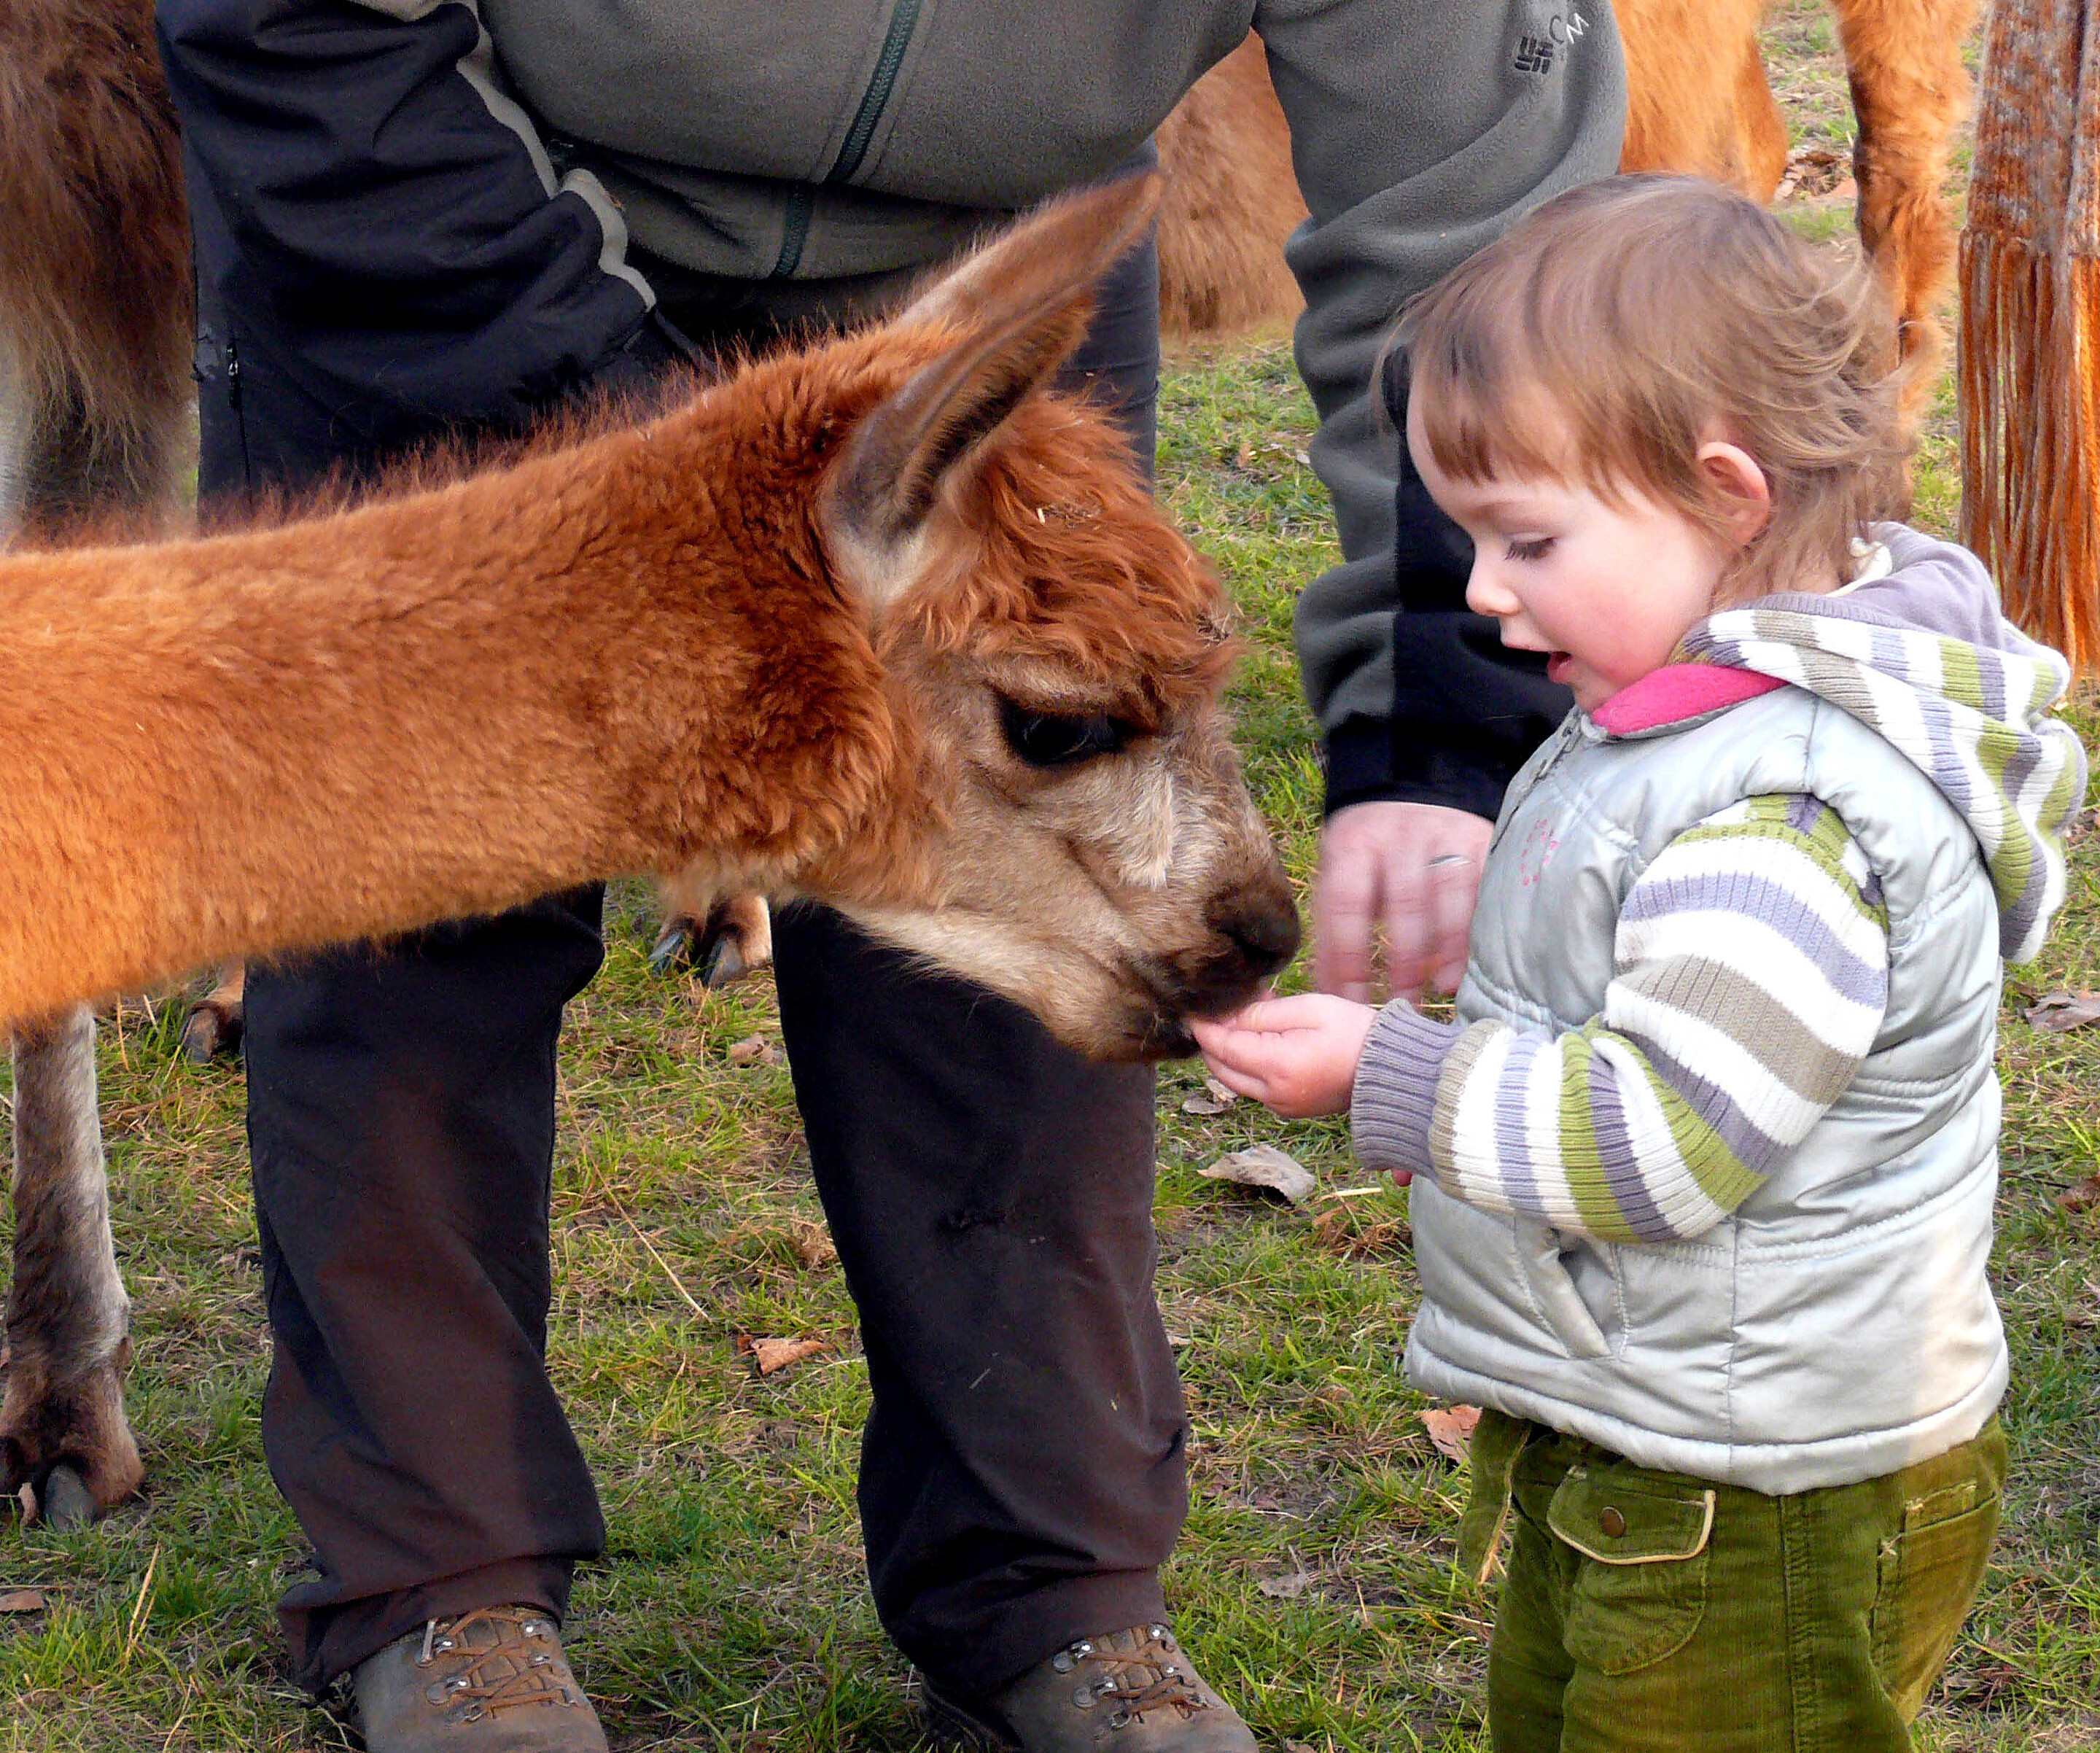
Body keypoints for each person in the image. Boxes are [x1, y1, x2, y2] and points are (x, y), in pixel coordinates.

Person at [152, 2, 1622, 1747]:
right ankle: (436, 1580)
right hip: (454, 189)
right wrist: (676, 491)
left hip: (972, 277)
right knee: (408, 900)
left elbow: (1473, 196)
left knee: (1037, 882)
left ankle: (1050, 1590)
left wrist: (1435, 727)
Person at [1194, 175, 2086, 1752]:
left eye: (1526, 536)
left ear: (1726, 493)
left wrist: (1392, 1076)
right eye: (1469, 535)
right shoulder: (1686, 721)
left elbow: (1661, 1135)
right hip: (1658, 1426)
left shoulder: (1784, 812)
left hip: (1765, 1494)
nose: (1477, 591)